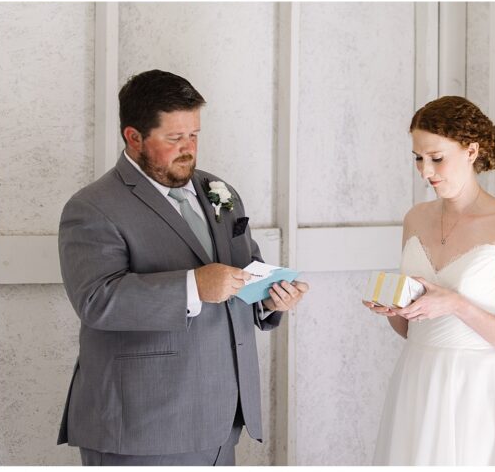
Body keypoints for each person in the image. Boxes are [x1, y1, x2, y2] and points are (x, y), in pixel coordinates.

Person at [57, 70, 309, 466]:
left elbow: (245, 270)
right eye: (174, 138)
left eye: (194, 135)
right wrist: (192, 286)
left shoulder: (218, 191)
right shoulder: (91, 207)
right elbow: (96, 301)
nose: (188, 149)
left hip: (224, 417)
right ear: (134, 137)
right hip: (142, 424)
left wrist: (271, 299)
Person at [368, 96, 495, 465]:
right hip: (418, 380)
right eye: (418, 158)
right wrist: (394, 310)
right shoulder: (415, 218)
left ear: (471, 151)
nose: (425, 170)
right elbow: (410, 329)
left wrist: (457, 305)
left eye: (436, 158)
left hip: (482, 391)